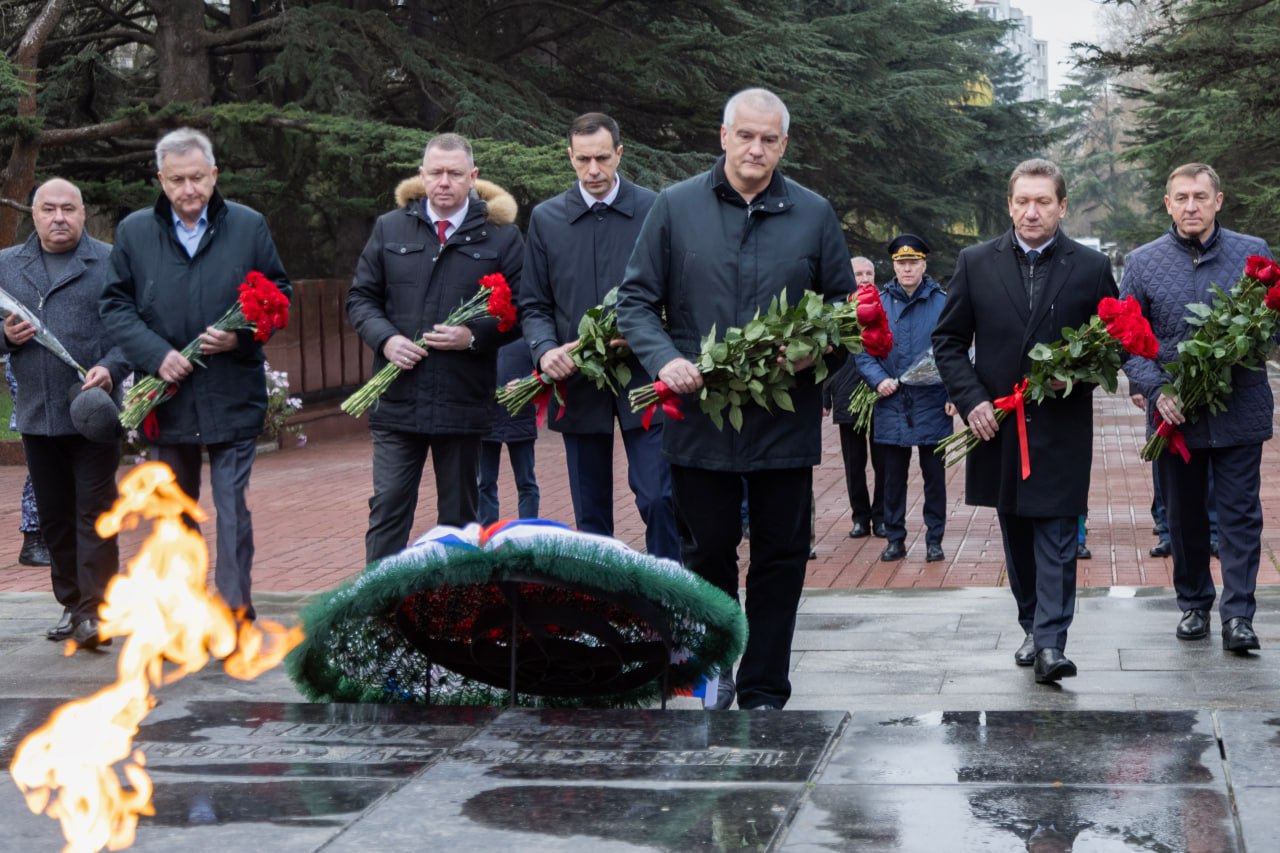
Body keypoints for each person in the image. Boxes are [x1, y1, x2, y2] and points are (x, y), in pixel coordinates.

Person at [617, 88, 855, 710]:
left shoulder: (814, 213)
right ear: (723, 136)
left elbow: (844, 313)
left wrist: (813, 353)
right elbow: (636, 302)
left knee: (780, 557)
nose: (755, 149)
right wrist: (665, 359)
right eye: (745, 136)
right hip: (700, 421)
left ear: (783, 145)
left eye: (769, 139)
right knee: (708, 548)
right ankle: (716, 665)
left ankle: (765, 687)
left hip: (784, 421)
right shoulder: (675, 207)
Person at [933, 158, 1117, 683]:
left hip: (1060, 429)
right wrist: (971, 401)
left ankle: (1053, 643)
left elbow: (1113, 344)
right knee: (1015, 532)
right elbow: (948, 342)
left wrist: (1076, 378)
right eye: (1021, 201)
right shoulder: (975, 262)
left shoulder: (1088, 267)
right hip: (998, 427)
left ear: (1062, 205)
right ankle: (1033, 624)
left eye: (1042, 202)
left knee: (1058, 533)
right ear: (1009, 204)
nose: (1030, 212)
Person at [101, 128, 291, 623]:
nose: (189, 190)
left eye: (198, 179)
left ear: (215, 176)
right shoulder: (135, 231)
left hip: (231, 390)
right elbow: (116, 305)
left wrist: (242, 336)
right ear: (161, 181)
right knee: (174, 513)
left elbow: (278, 295)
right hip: (167, 397)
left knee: (232, 511)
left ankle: (233, 614)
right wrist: (156, 353)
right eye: (178, 180)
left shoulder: (249, 226)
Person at [347, 133, 523, 562]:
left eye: (455, 174)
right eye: (436, 172)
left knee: (460, 520)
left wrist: (474, 336)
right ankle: (380, 611)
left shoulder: (502, 237)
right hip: (398, 400)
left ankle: (457, 616)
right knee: (388, 507)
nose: (444, 182)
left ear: (473, 178)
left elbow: (521, 309)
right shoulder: (390, 227)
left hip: (461, 400)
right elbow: (361, 299)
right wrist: (386, 340)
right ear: (422, 175)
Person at [1119, 163, 1273, 653]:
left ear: (1218, 201)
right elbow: (1126, 339)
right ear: (1167, 204)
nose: (1191, 206)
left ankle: (1240, 615)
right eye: (1182, 197)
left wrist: (1248, 342)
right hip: (1174, 417)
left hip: (1239, 410)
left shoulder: (1254, 253)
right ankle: (1193, 604)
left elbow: (1271, 325)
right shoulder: (1142, 263)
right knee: (1183, 514)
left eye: (1201, 197)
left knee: (1239, 514)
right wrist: (1156, 388)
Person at [518, 113, 679, 559]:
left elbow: (680, 292)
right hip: (578, 379)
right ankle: (604, 607)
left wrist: (653, 333)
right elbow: (533, 303)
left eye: (602, 158)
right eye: (583, 159)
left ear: (619, 155)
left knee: (659, 497)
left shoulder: (655, 209)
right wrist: (544, 350)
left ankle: (670, 597)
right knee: (591, 516)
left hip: (645, 376)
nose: (593, 170)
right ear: (570, 157)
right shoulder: (547, 219)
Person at [3, 178, 129, 647]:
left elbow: (131, 330)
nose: (59, 217)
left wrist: (112, 368)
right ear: (33, 215)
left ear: (82, 212)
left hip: (94, 412)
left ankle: (96, 612)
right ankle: (72, 604)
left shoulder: (111, 260)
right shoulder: (7, 266)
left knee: (95, 511)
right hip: (39, 414)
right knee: (55, 516)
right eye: (49, 209)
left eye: (68, 209)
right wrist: (5, 339)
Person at [856, 235, 954, 563]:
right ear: (893, 266)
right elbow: (861, 349)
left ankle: (934, 538)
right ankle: (894, 537)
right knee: (892, 476)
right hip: (891, 400)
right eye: (901, 263)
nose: (907, 268)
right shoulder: (877, 303)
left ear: (924, 264)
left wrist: (956, 393)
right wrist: (878, 379)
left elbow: (957, 350)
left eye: (913, 262)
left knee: (934, 478)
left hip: (932, 400)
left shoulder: (942, 302)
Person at [823, 256, 885, 540]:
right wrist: (824, 395)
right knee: (854, 463)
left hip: (880, 394)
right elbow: (825, 354)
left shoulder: (885, 305)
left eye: (868, 273)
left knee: (884, 461)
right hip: (847, 392)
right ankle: (860, 517)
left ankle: (881, 516)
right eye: (858, 273)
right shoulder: (837, 310)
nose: (864, 278)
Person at [479, 339, 540, 525]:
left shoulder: (527, 333)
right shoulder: (484, 333)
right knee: (484, 482)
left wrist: (528, 383)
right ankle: (487, 533)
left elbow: (542, 369)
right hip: (487, 418)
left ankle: (527, 530)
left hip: (520, 414)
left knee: (526, 481)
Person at [5, 361, 50, 566]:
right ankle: (32, 541)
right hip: (31, 373)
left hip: (58, 373)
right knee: (42, 460)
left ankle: (50, 538)